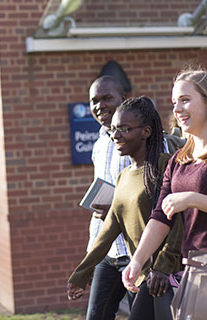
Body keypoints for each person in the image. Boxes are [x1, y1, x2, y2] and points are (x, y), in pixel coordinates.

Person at [122, 68, 207, 303]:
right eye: (174, 102)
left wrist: (192, 199)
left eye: (185, 100)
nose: (177, 109)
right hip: (194, 271)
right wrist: (137, 260)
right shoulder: (178, 159)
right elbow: (161, 216)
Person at [68, 97, 183, 320]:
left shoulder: (164, 165)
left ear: (146, 131)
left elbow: (177, 220)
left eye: (124, 129)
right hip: (143, 276)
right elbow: (109, 230)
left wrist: (162, 267)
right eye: (113, 130)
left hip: (165, 277)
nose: (116, 136)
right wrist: (81, 274)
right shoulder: (123, 177)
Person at [78, 75, 132, 320]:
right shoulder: (99, 144)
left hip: (136, 251)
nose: (100, 105)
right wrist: (92, 254)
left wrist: (117, 208)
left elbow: (154, 195)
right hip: (108, 252)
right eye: (94, 100)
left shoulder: (143, 139)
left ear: (124, 98)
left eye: (107, 98)